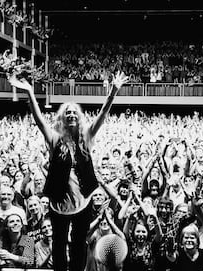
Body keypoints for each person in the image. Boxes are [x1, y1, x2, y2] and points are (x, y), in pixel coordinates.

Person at [9, 71, 128, 271]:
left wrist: (113, 92)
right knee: (59, 243)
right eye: (68, 113)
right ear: (63, 119)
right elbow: (38, 120)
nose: (71, 115)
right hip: (59, 203)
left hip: (82, 202)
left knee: (78, 244)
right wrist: (29, 91)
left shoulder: (87, 137)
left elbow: (103, 115)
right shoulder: (55, 139)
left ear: (79, 117)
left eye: (74, 112)